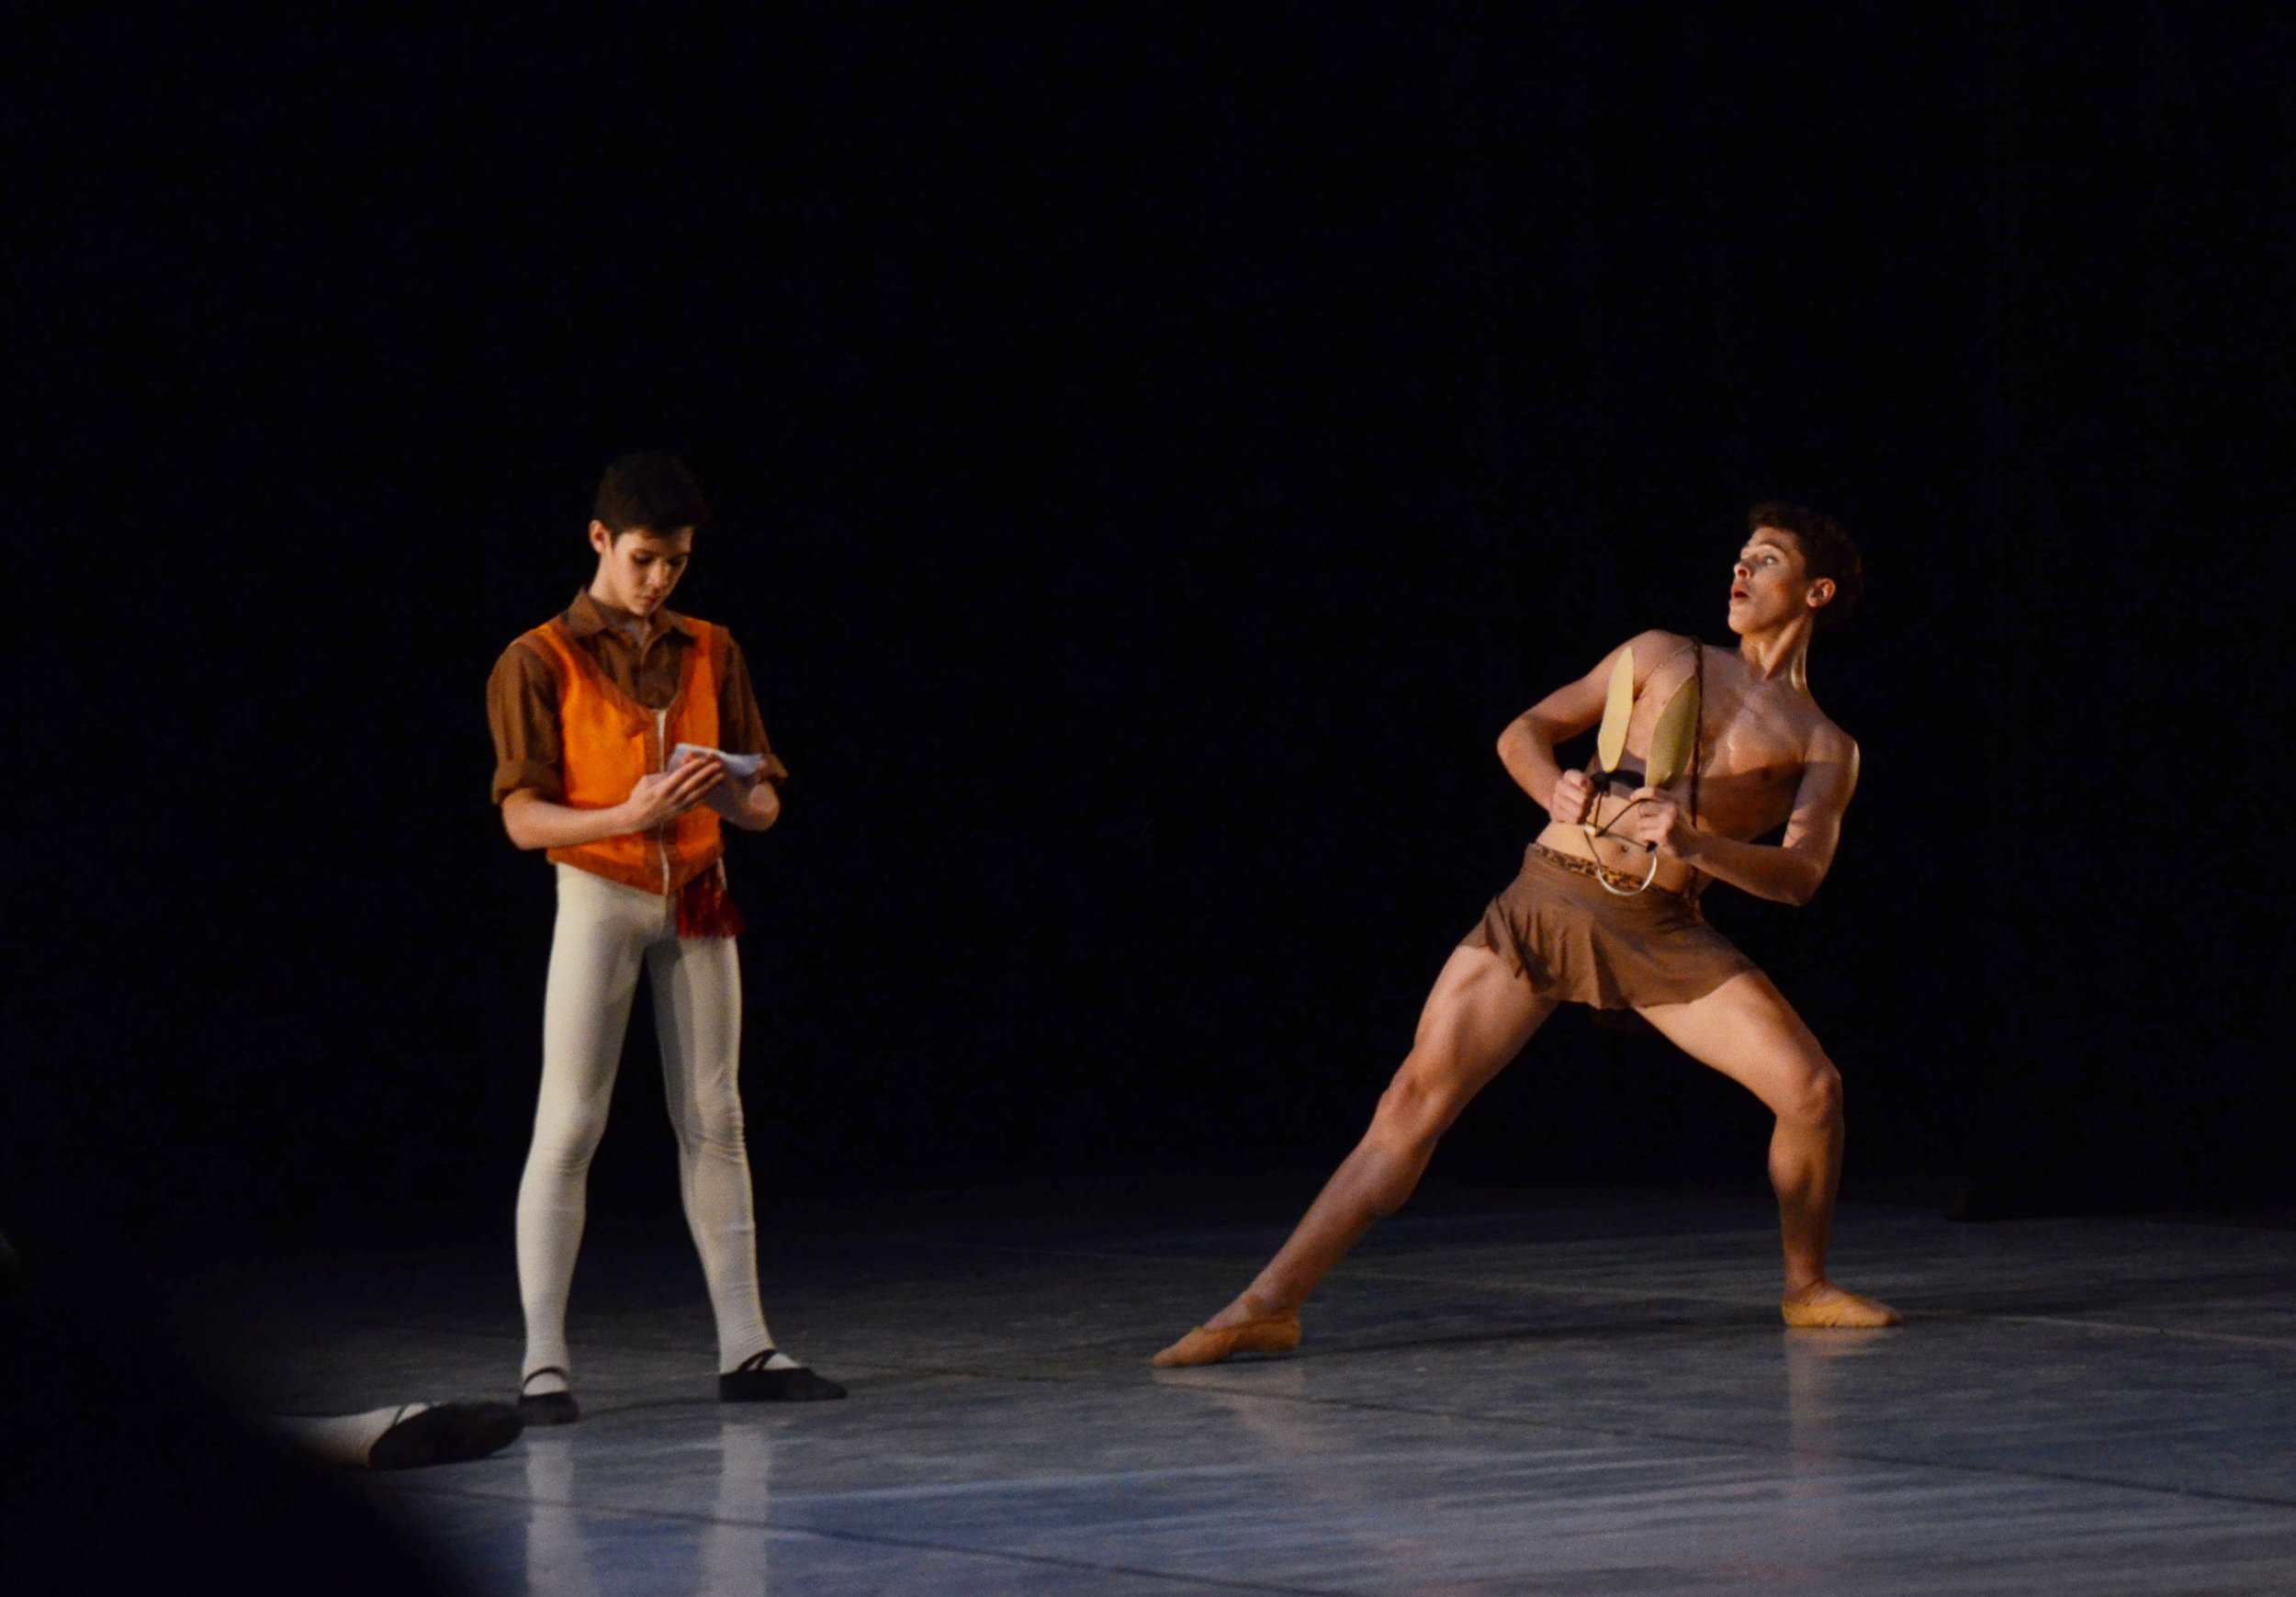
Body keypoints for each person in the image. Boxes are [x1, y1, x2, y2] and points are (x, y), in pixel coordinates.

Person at [1153, 503, 1899, 1368]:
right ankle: (1267, 1304)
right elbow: (1525, 731)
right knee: (1411, 1103)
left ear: (1815, 590)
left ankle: (1805, 1288)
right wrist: (1553, 787)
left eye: (1764, 561)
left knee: (1812, 1091)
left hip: (1659, 926)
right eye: (1738, 557)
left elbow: (1801, 875)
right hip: (1544, 900)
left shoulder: (1823, 743)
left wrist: (1699, 845)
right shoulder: (1661, 653)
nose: (1739, 571)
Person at [488, 452, 844, 1420]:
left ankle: (747, 1345)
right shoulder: (536, 656)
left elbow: (765, 803)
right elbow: (522, 820)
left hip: (696, 891)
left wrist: (726, 789)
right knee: (570, 1121)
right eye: (644, 557)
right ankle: (544, 1361)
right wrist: (626, 811)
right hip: (600, 894)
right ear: (600, 539)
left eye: (676, 562)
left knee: (714, 1113)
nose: (658, 579)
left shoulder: (711, 648)